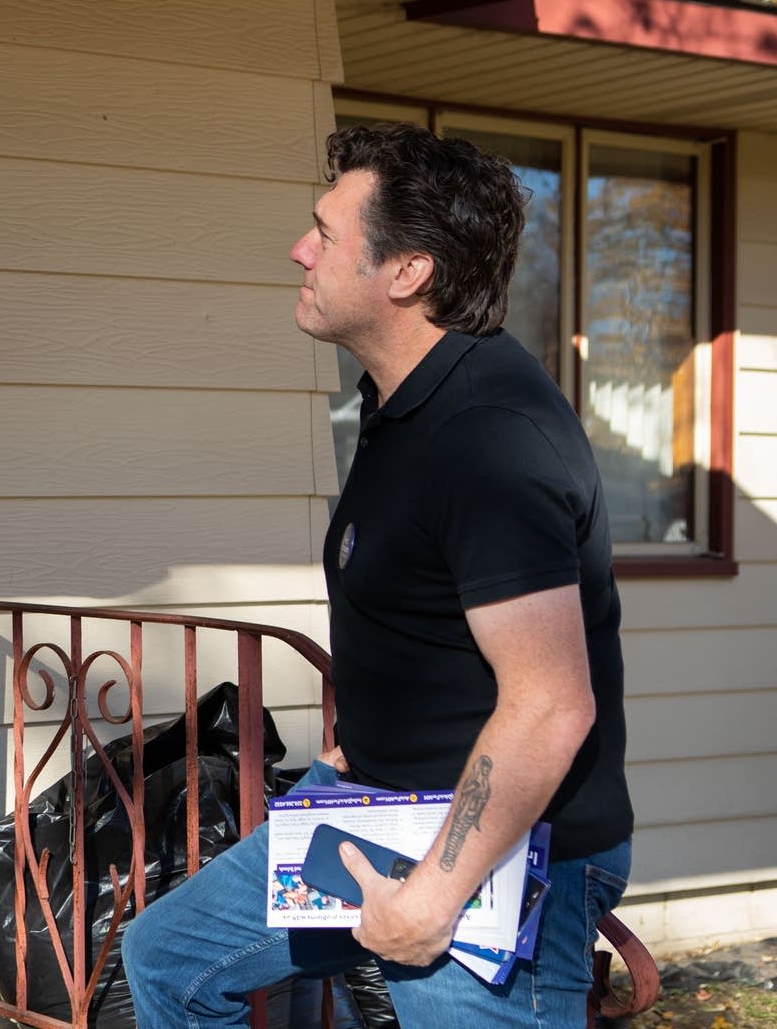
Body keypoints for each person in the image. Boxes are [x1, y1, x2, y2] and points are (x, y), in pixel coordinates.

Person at [121, 122, 633, 1027]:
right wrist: (362, 746)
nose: (299, 250)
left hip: (495, 851)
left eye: (325, 232)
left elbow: (553, 704)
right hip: (378, 799)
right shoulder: (399, 403)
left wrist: (435, 896)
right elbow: (416, 605)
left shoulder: (492, 441)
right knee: (171, 960)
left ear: (408, 273)